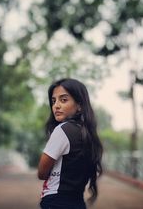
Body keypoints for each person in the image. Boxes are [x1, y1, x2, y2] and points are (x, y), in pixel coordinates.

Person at [38, 78, 103, 209]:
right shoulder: (87, 134)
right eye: (53, 101)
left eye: (63, 100)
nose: (56, 105)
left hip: (56, 201)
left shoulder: (63, 130)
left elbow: (42, 173)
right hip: (77, 202)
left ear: (79, 105)